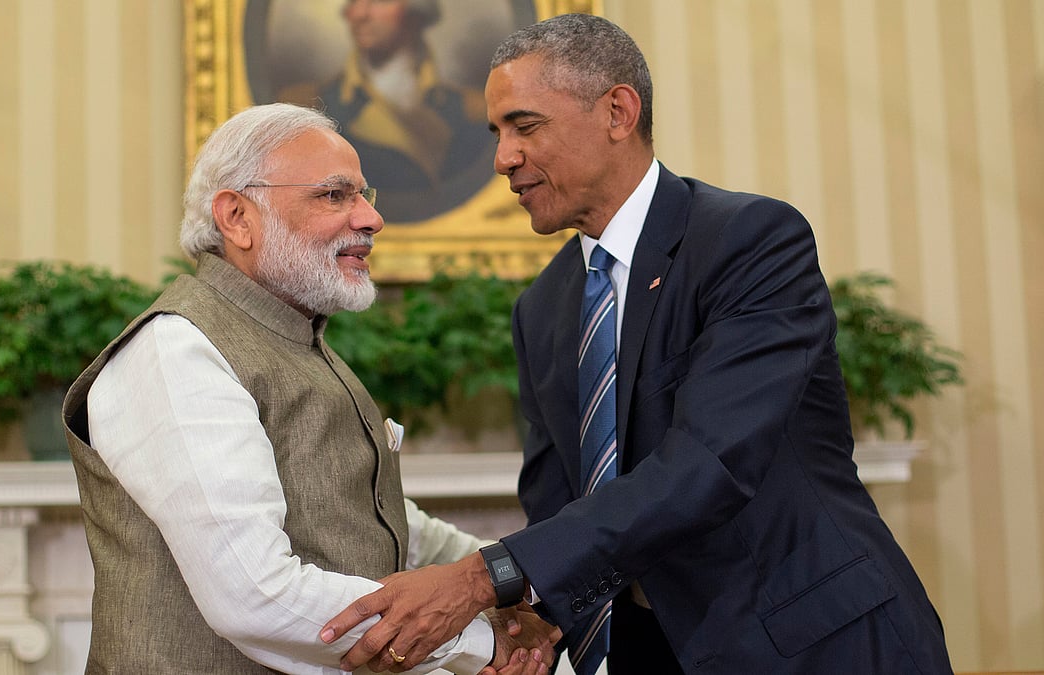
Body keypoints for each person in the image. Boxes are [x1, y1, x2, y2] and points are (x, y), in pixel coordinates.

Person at [320, 14, 953, 675]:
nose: (503, 157)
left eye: (524, 125)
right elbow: (563, 507)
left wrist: (483, 576)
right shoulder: (543, 309)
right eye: (497, 132)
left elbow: (708, 464)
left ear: (618, 112)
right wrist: (540, 615)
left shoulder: (751, 242)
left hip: (818, 646)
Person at [61, 102, 557, 674]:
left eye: (366, 195)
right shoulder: (177, 350)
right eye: (334, 195)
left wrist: (501, 588)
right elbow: (255, 596)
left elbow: (371, 517)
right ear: (238, 217)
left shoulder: (300, 339)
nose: (371, 219)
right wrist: (481, 644)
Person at [277, 0, 493, 222]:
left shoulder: (473, 111)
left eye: (378, 1)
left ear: (416, 11)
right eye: (353, 2)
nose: (359, 14)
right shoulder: (305, 105)